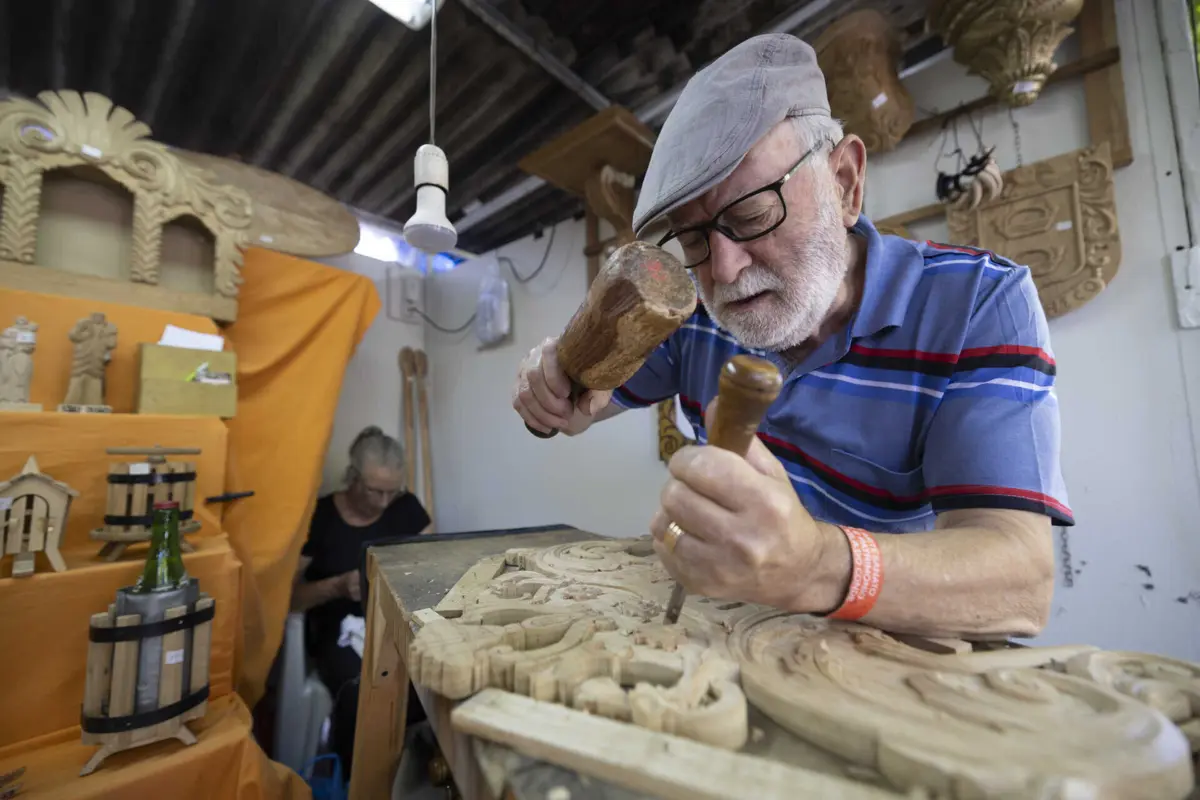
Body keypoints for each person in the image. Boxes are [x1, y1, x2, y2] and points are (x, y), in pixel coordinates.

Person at [511, 34, 1071, 641]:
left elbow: (1020, 582)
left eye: (751, 215)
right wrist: (553, 394)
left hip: (885, 657)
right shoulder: (696, 313)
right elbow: (578, 405)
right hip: (728, 638)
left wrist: (813, 566)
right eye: (693, 239)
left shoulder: (976, 304)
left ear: (846, 182)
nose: (723, 270)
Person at [291, 426, 431, 775]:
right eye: (374, 491)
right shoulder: (321, 517)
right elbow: (288, 600)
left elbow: (432, 569)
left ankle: (409, 769)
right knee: (367, 689)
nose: (384, 503)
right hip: (336, 630)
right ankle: (360, 774)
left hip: (395, 621)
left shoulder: (406, 508)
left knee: (431, 678)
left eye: (392, 491)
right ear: (352, 477)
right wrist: (336, 586)